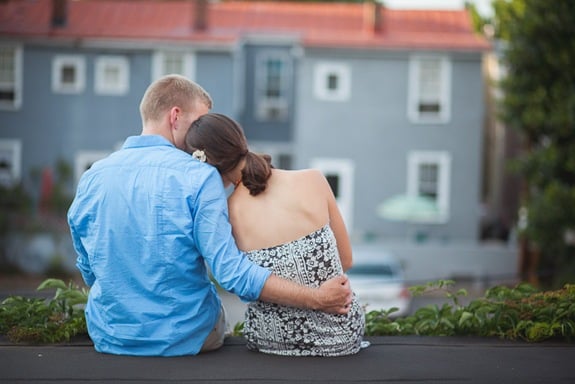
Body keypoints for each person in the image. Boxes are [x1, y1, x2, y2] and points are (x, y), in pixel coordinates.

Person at [67, 74, 353, 357]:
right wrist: (316, 298)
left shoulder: (92, 177)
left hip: (111, 335)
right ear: (175, 116)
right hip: (186, 337)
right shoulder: (199, 177)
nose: (197, 139)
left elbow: (89, 267)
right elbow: (231, 273)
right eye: (197, 123)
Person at [185, 113, 366, 357]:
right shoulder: (313, 179)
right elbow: (346, 261)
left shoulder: (227, 214)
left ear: (205, 163)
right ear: (240, 140)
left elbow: (237, 282)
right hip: (339, 335)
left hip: (271, 340)